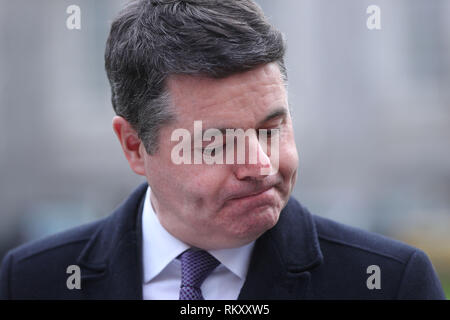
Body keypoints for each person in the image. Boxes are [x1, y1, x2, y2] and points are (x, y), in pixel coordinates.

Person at [0, 0, 445, 300]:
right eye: (217, 141)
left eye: (272, 129)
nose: (260, 164)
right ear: (135, 146)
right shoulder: (32, 280)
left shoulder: (390, 283)